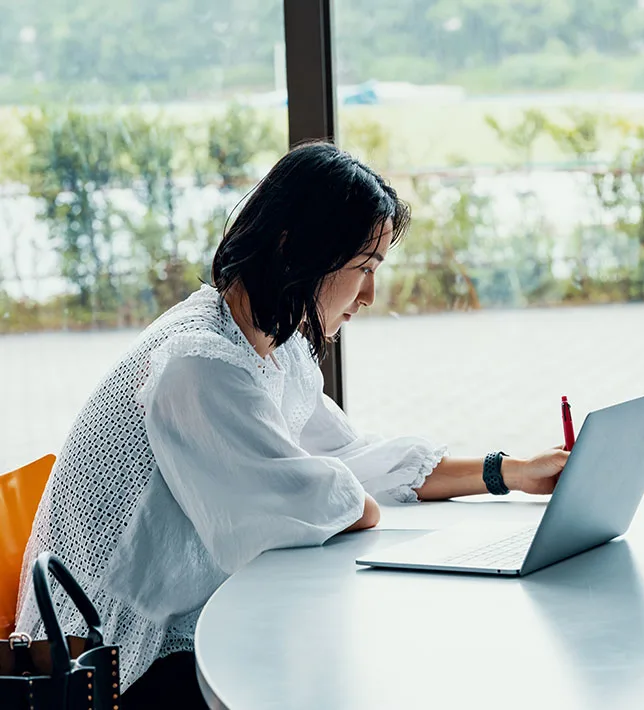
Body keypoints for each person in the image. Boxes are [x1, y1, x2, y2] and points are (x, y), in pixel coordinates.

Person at [16, 142, 568, 708]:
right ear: (295, 248)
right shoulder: (199, 364)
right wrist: (354, 500)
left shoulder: (272, 346)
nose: (371, 294)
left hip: (175, 623)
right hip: (118, 664)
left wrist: (513, 472)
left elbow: (352, 460)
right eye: (364, 268)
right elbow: (306, 504)